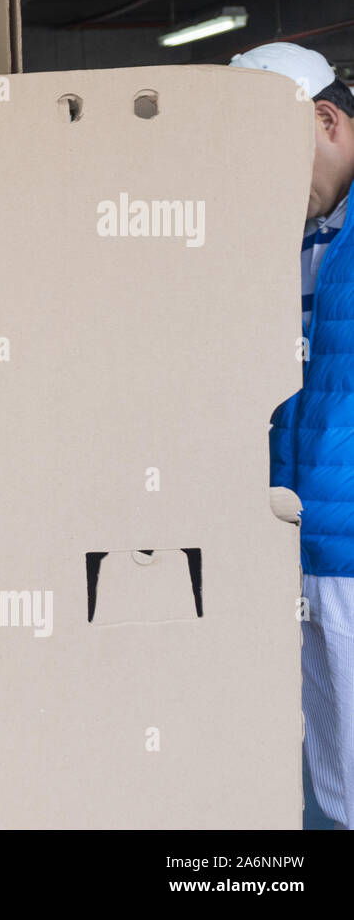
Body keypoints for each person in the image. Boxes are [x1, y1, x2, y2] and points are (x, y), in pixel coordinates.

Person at [234, 44, 354, 828]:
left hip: (347, 542)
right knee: (333, 780)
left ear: (326, 118)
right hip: (302, 542)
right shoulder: (297, 233)